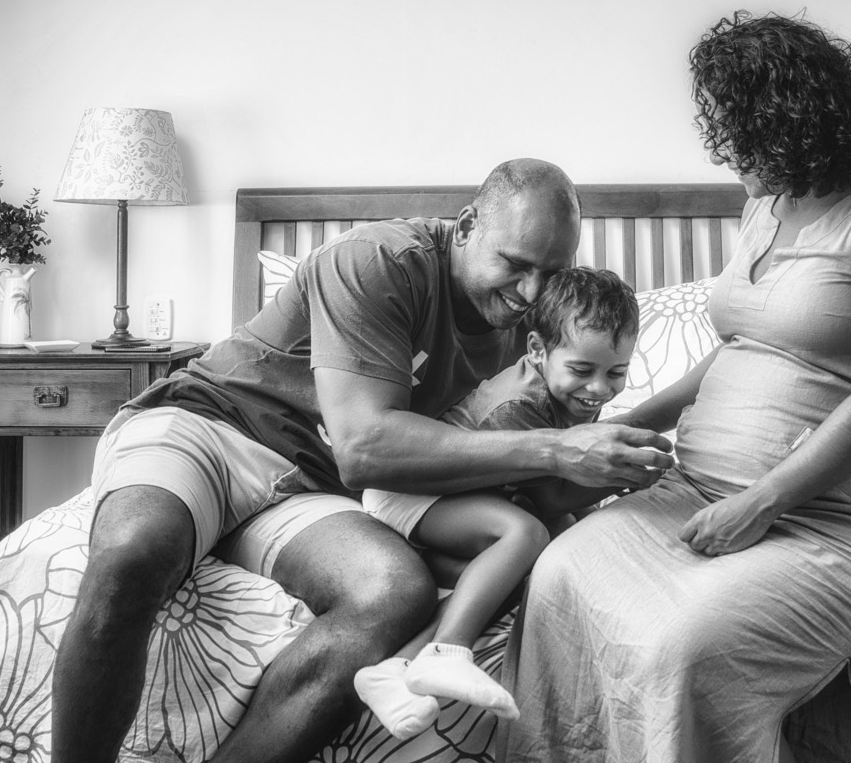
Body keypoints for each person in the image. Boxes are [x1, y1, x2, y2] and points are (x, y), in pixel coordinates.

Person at [50, 157, 674, 763]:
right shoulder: (377, 262)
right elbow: (364, 447)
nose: (529, 292)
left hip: (311, 490)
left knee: (395, 592)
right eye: (514, 264)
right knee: (136, 549)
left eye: (552, 270)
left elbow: (540, 473)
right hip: (212, 425)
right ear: (465, 226)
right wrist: (559, 450)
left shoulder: (549, 328)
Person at [500, 12, 851, 763]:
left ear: (797, 123)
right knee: (557, 574)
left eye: (744, 132)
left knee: (686, 645)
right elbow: (742, 347)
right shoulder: (762, 208)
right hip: (698, 489)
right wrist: (636, 416)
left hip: (848, 523)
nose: (732, 151)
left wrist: (762, 500)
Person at [354, 266, 640, 739]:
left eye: (618, 373)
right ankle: (450, 651)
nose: (599, 390)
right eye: (583, 371)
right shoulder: (518, 406)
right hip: (410, 490)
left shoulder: (572, 394)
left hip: (470, 495)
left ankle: (396, 668)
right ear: (537, 351)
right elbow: (550, 496)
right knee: (527, 534)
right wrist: (623, 479)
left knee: (536, 559)